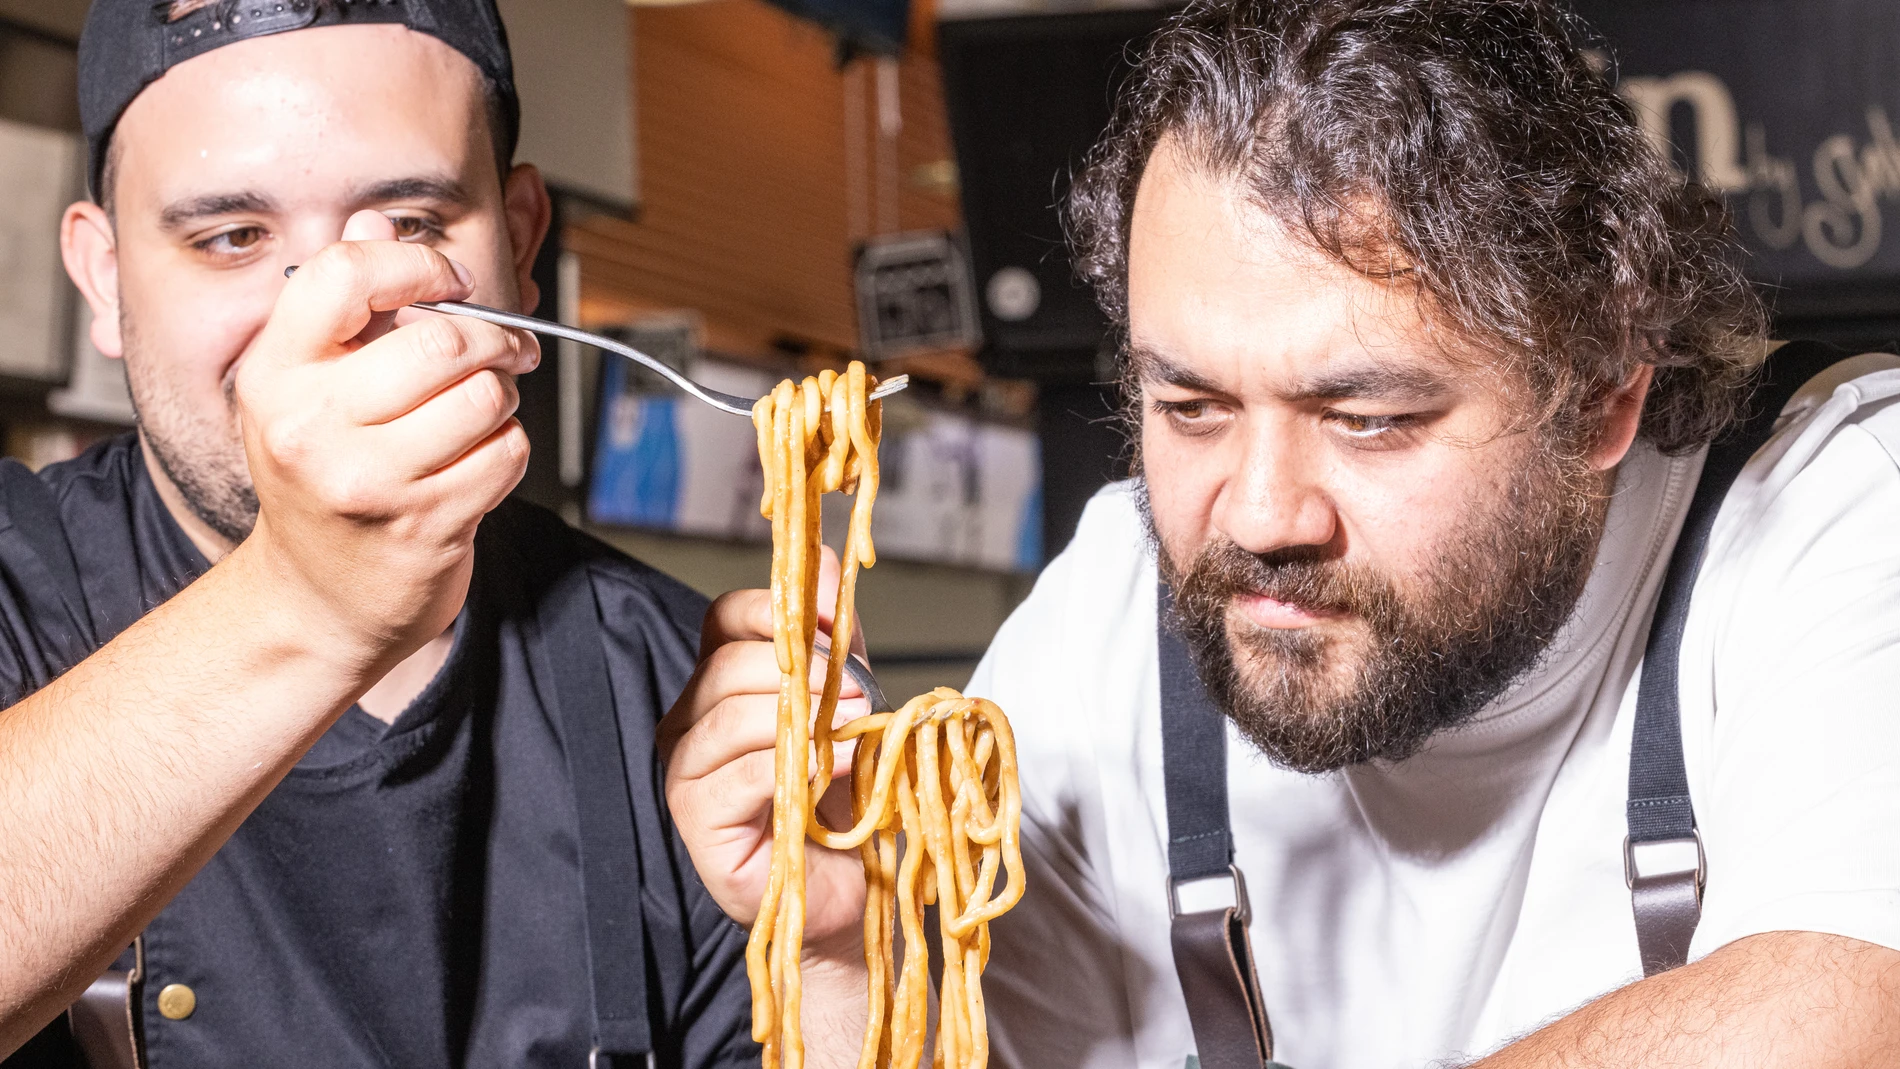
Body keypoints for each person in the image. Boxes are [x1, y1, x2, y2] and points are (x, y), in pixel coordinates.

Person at [662, 0, 1900, 1066]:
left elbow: (1850, 1006)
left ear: (1600, 396)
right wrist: (837, 945)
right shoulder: (1110, 604)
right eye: (1189, 406)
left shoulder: (1836, 499)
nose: (1257, 514)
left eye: (1365, 417)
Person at [0, 1, 754, 1065]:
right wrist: (307, 598)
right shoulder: (16, 585)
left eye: (408, 222)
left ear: (522, 242)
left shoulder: (677, 680)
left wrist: (833, 961)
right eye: (233, 238)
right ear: (108, 276)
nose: (341, 309)